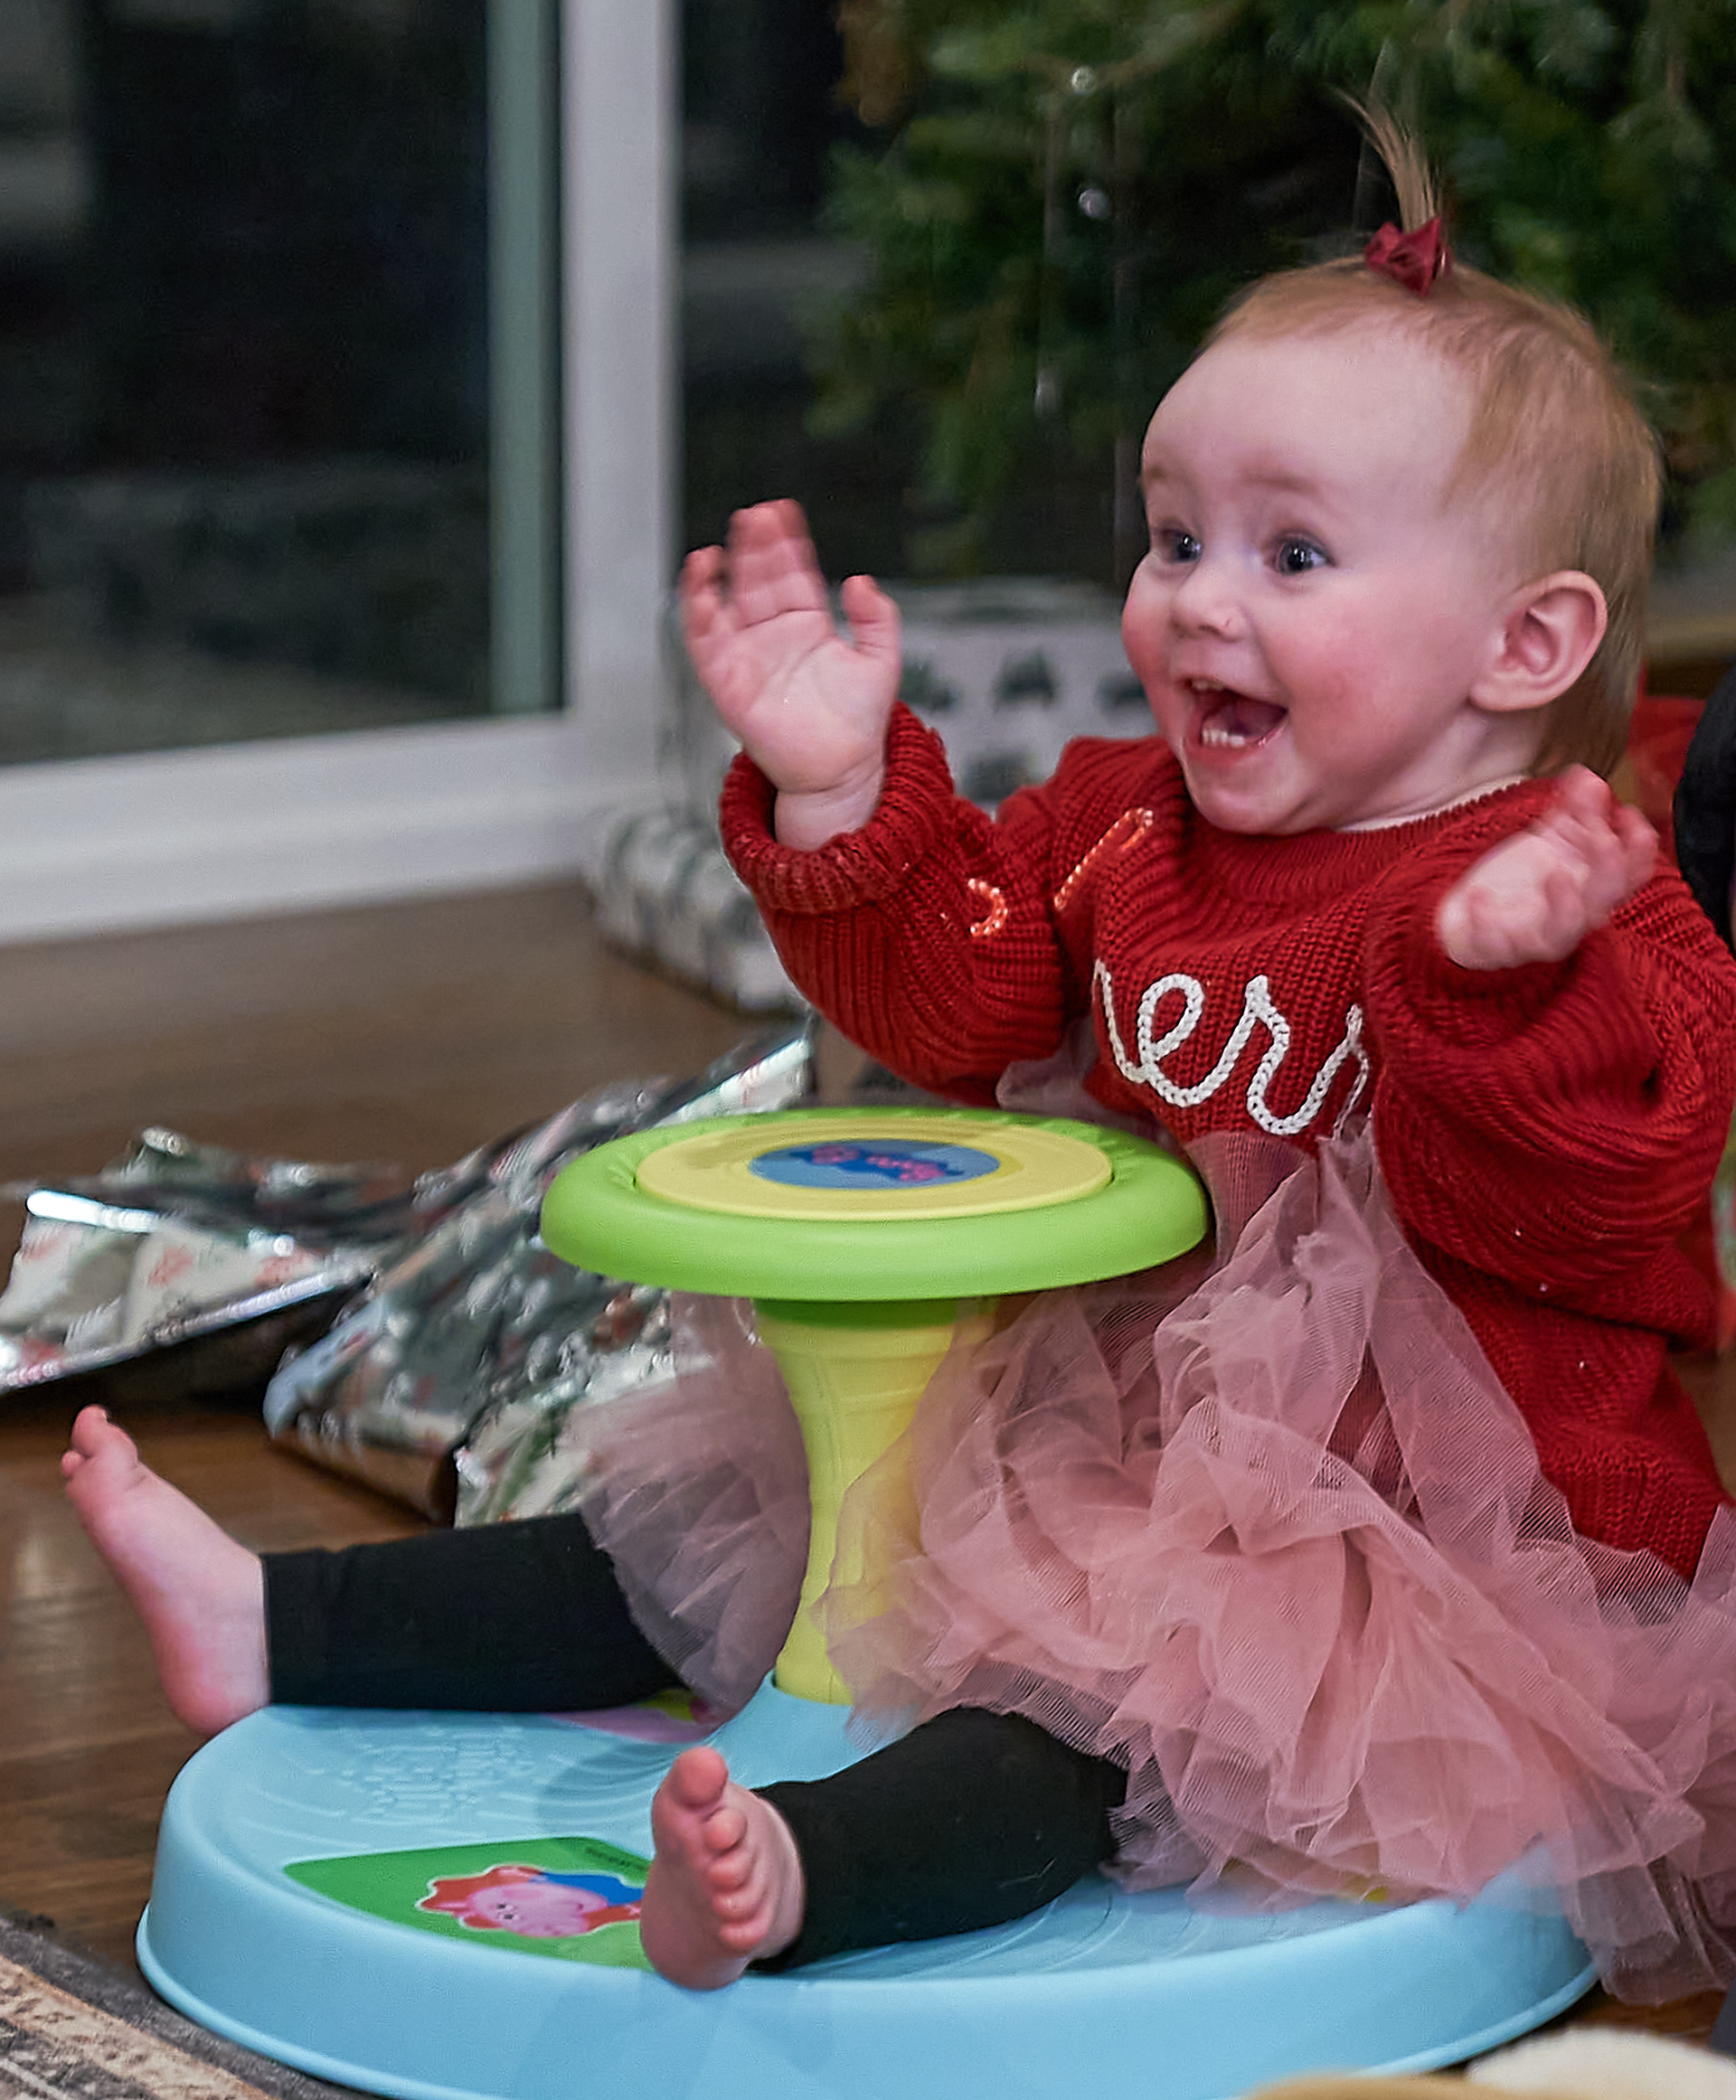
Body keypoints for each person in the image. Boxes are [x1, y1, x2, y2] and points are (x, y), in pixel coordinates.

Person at [64, 138, 1736, 2002]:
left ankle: (804, 1876)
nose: (1198, 600)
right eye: (1173, 538)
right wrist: (842, 790)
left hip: (1414, 1529)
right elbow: (959, 995)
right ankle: (276, 1621)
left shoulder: (1579, 901)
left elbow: (1592, 1199)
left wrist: (1505, 988)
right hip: (1092, 1418)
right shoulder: (1130, 822)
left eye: (1292, 554)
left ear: (1527, 642)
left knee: (1096, 1713)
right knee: (716, 1533)